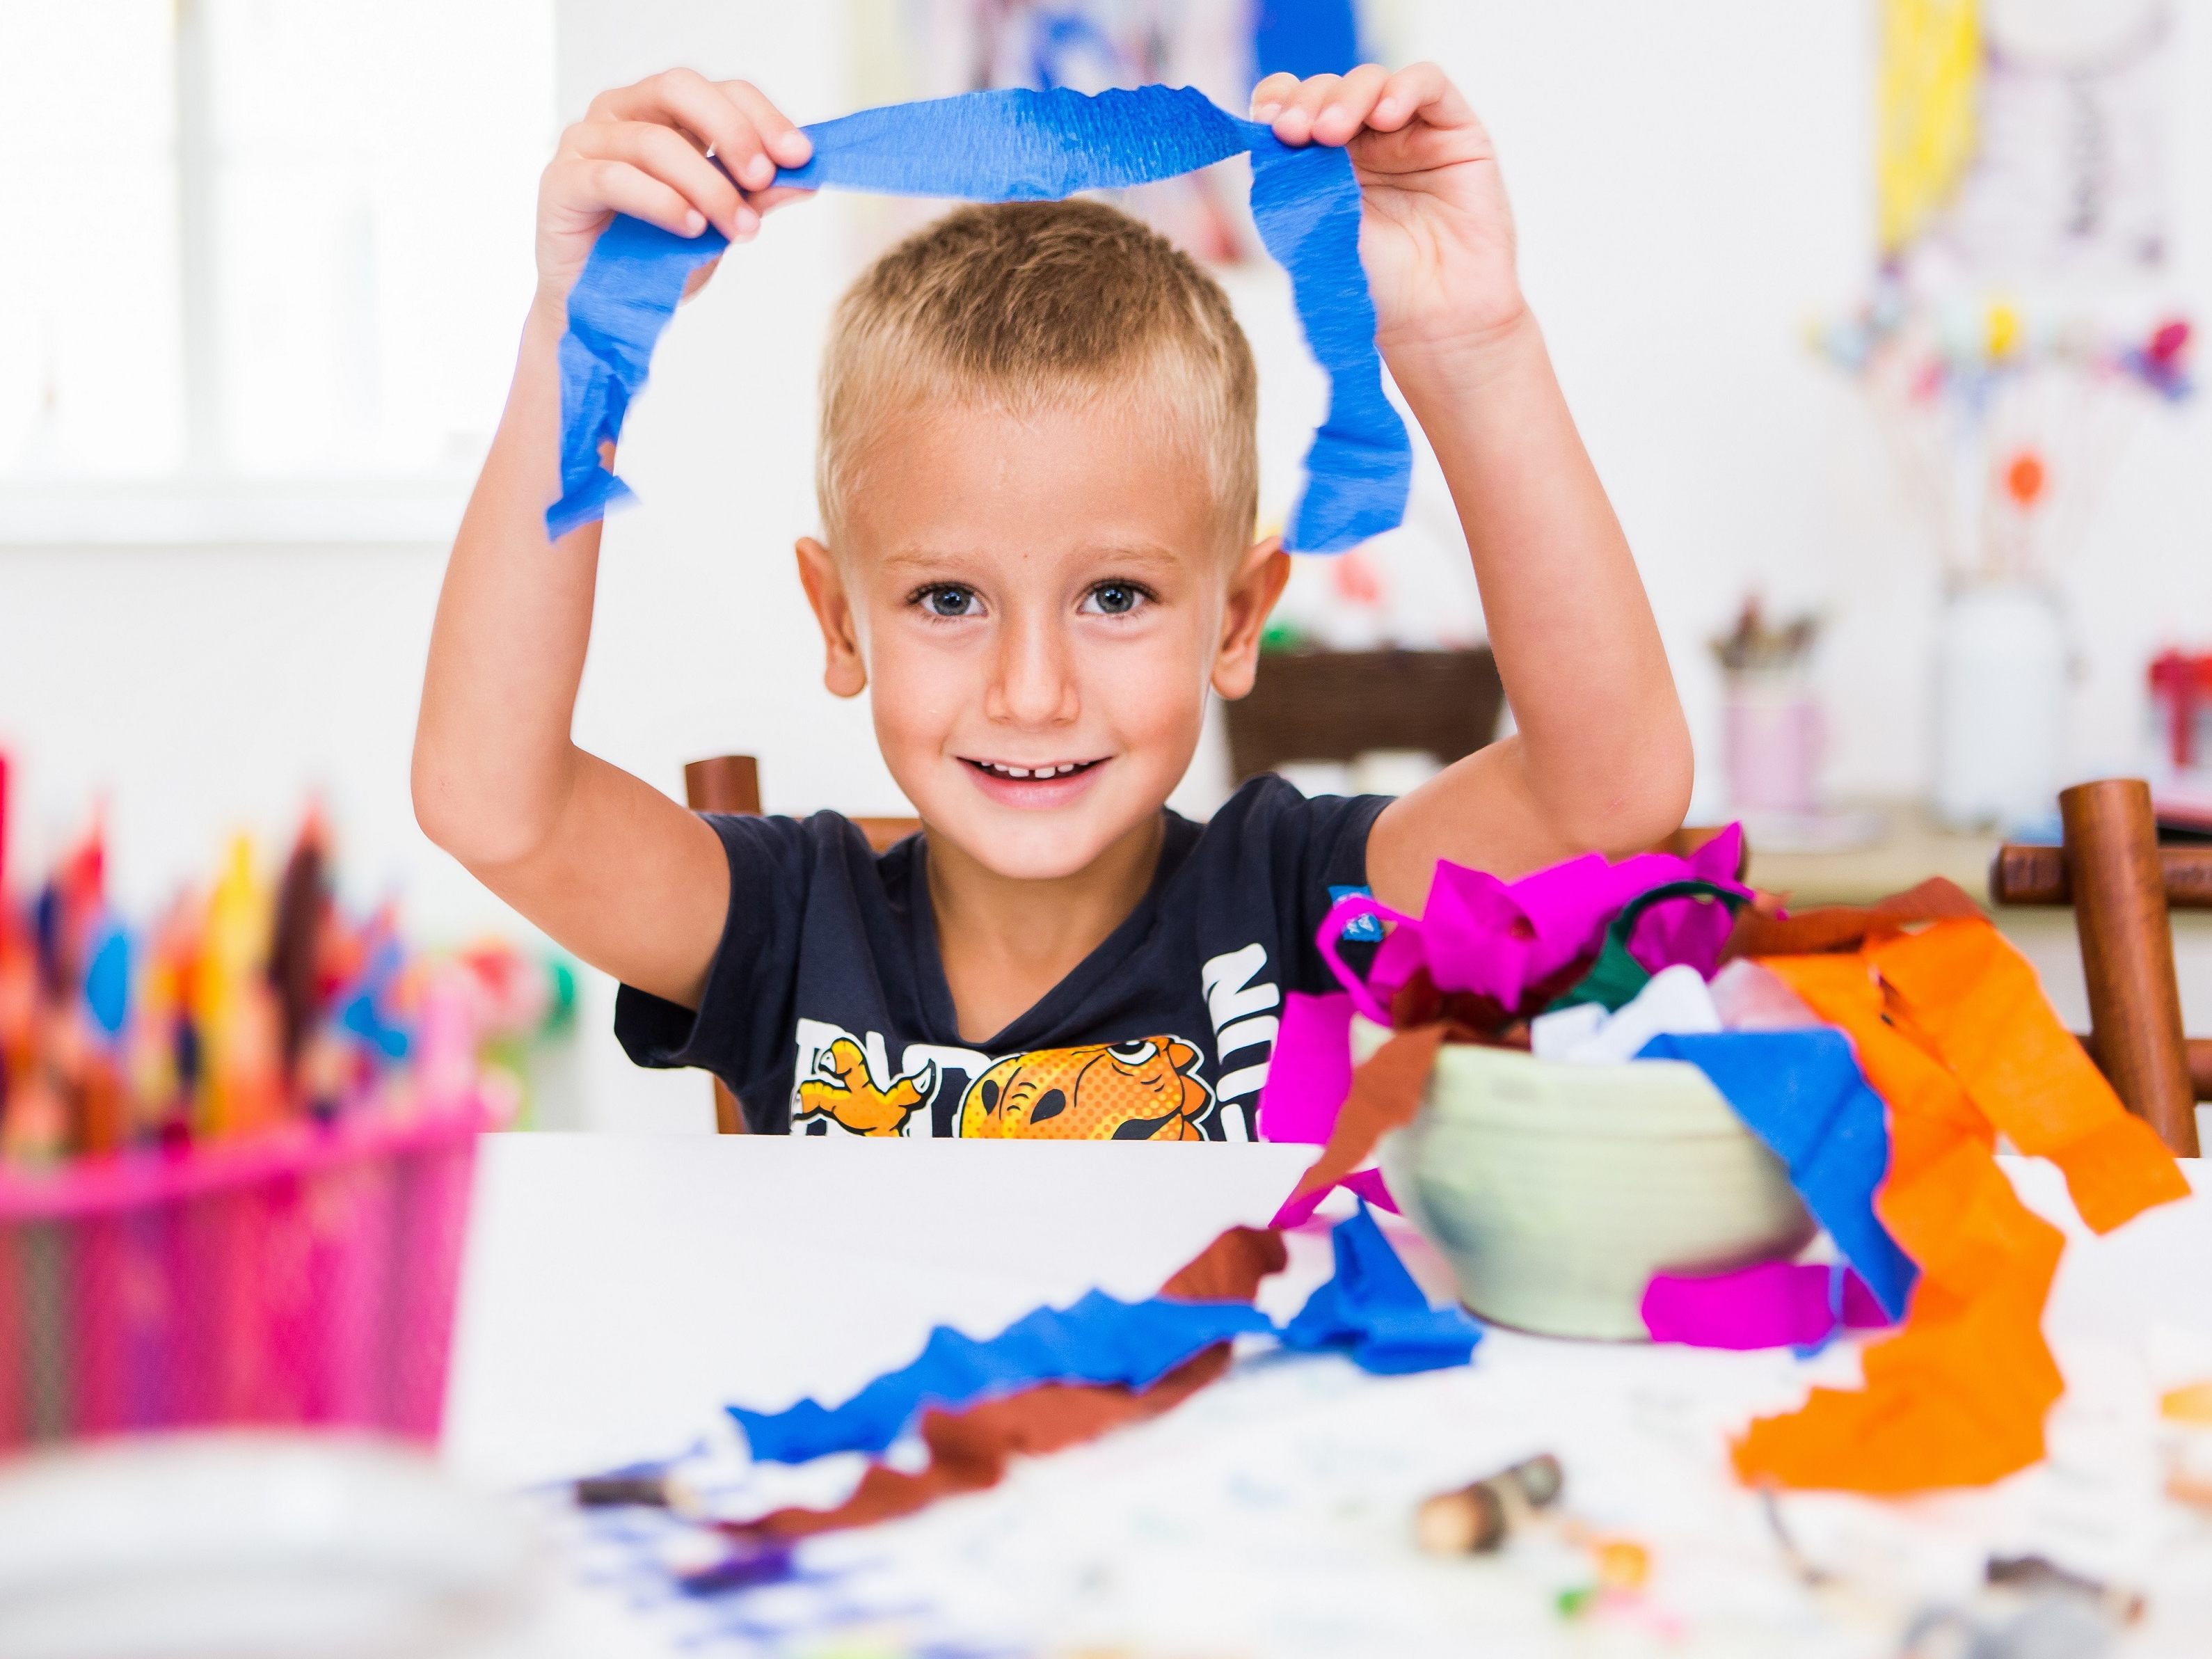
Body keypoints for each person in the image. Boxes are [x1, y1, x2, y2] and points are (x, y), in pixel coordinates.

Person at [413, 63, 1692, 1139]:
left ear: (1240, 620)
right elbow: (492, 800)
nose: (1034, 693)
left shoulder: (1297, 895)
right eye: (951, 599)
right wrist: (573, 347)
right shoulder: (786, 925)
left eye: (1118, 594)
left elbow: (1608, 794)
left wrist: (1472, 349)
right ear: (841, 621)